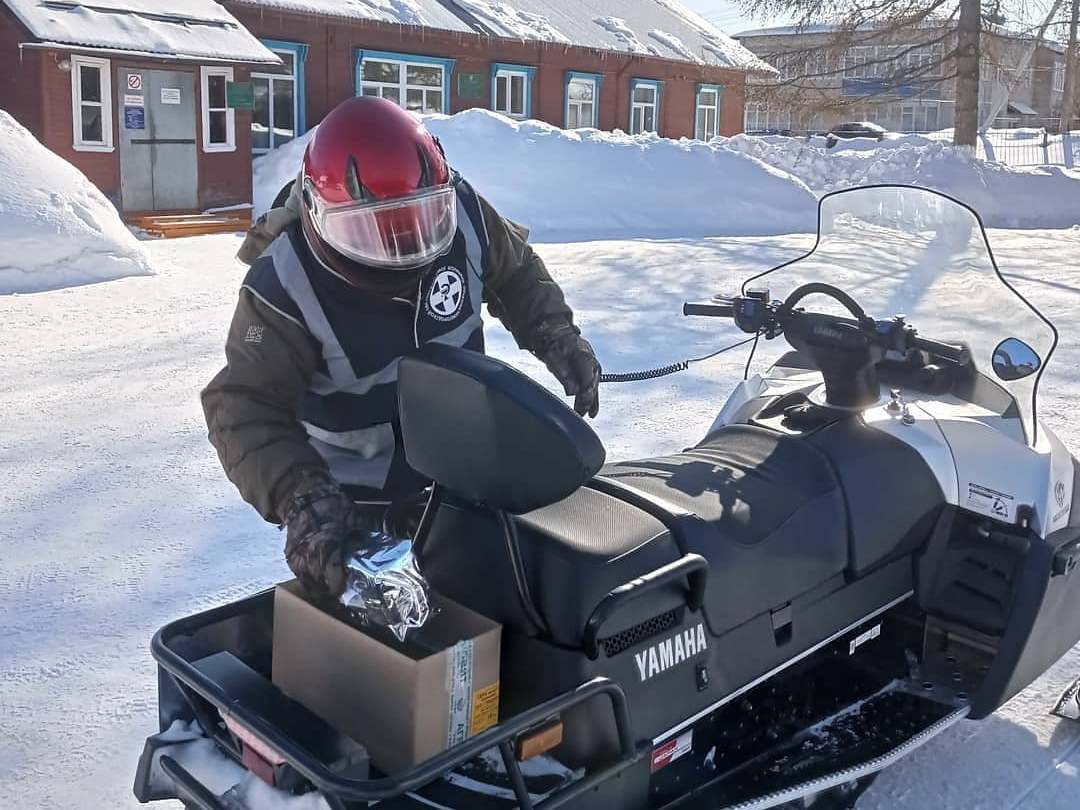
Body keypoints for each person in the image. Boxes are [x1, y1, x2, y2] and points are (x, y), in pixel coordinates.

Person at [202, 97, 600, 598]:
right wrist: (304, 500)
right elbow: (241, 408)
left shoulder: (467, 216)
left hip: (466, 475)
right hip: (356, 507)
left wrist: (556, 334)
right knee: (383, 651)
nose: (403, 249)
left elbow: (517, 272)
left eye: (422, 220)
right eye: (373, 232)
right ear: (317, 210)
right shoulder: (283, 286)